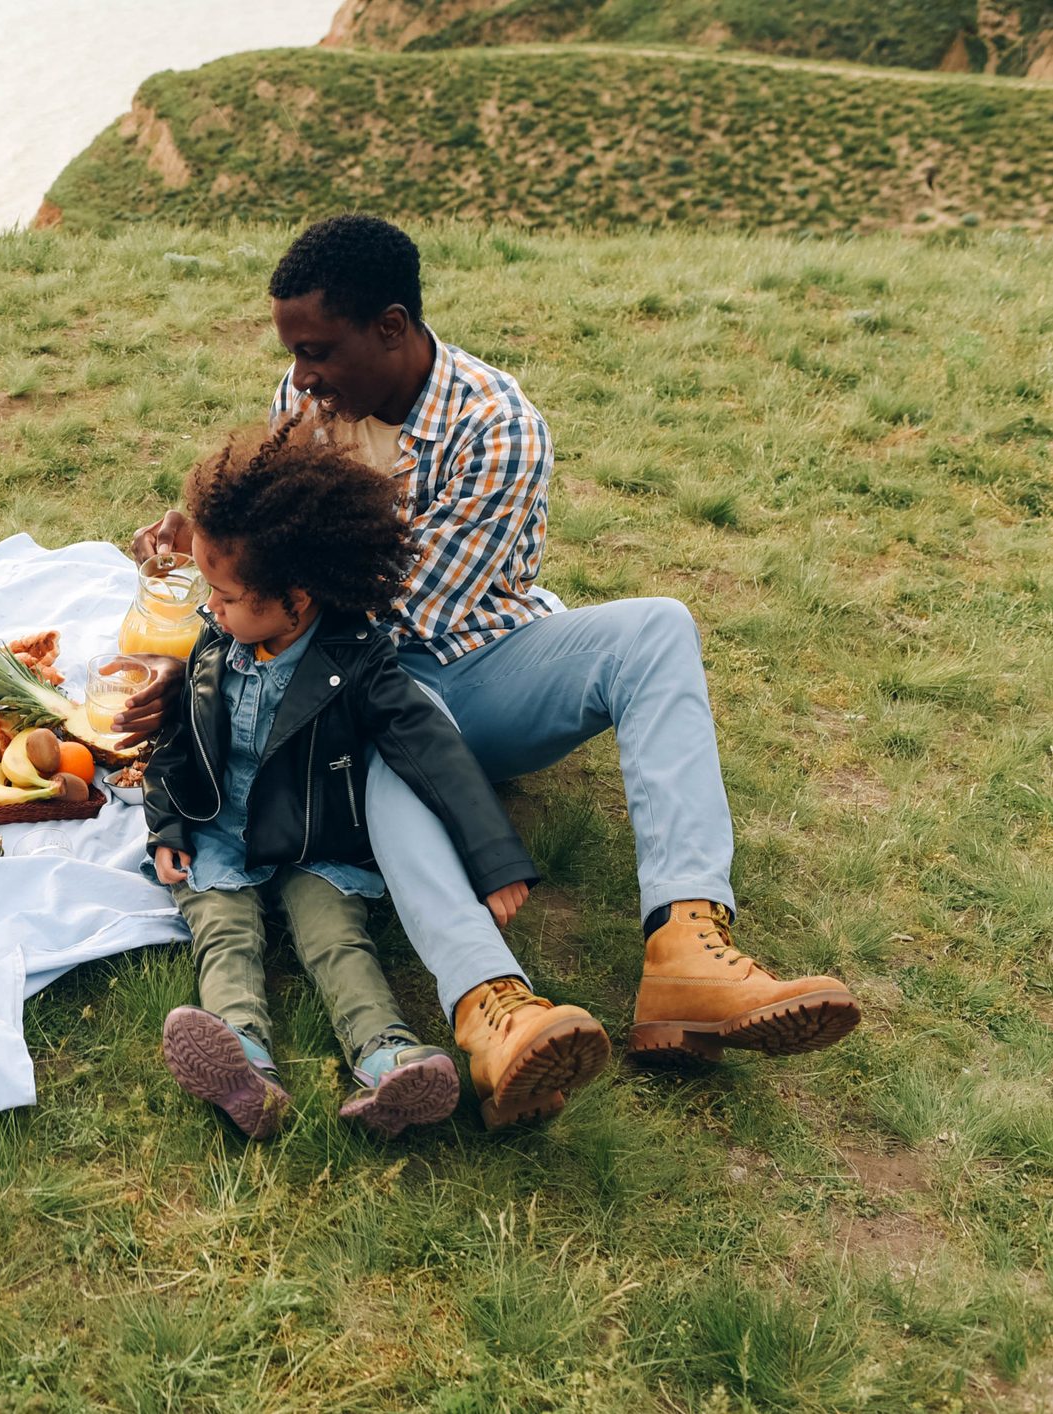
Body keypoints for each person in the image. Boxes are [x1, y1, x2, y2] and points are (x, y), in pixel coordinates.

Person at [127, 213, 859, 1086]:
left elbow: (394, 611)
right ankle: (491, 1006)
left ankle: (687, 947)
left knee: (657, 625)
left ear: (390, 327)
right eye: (293, 353)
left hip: (469, 663)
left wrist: (253, 583)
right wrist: (219, 544)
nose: (300, 377)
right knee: (386, 717)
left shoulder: (496, 427)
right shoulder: (307, 402)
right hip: (354, 683)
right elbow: (304, 587)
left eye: (318, 350)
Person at [147, 422, 605, 1137]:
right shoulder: (217, 640)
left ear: (297, 599)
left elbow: (433, 752)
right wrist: (169, 823)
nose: (211, 607)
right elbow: (179, 738)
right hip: (224, 834)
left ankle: (389, 1060)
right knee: (223, 932)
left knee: (335, 942)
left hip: (316, 838)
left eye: (226, 595)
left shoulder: (356, 659)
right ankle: (242, 1062)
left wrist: (492, 856)